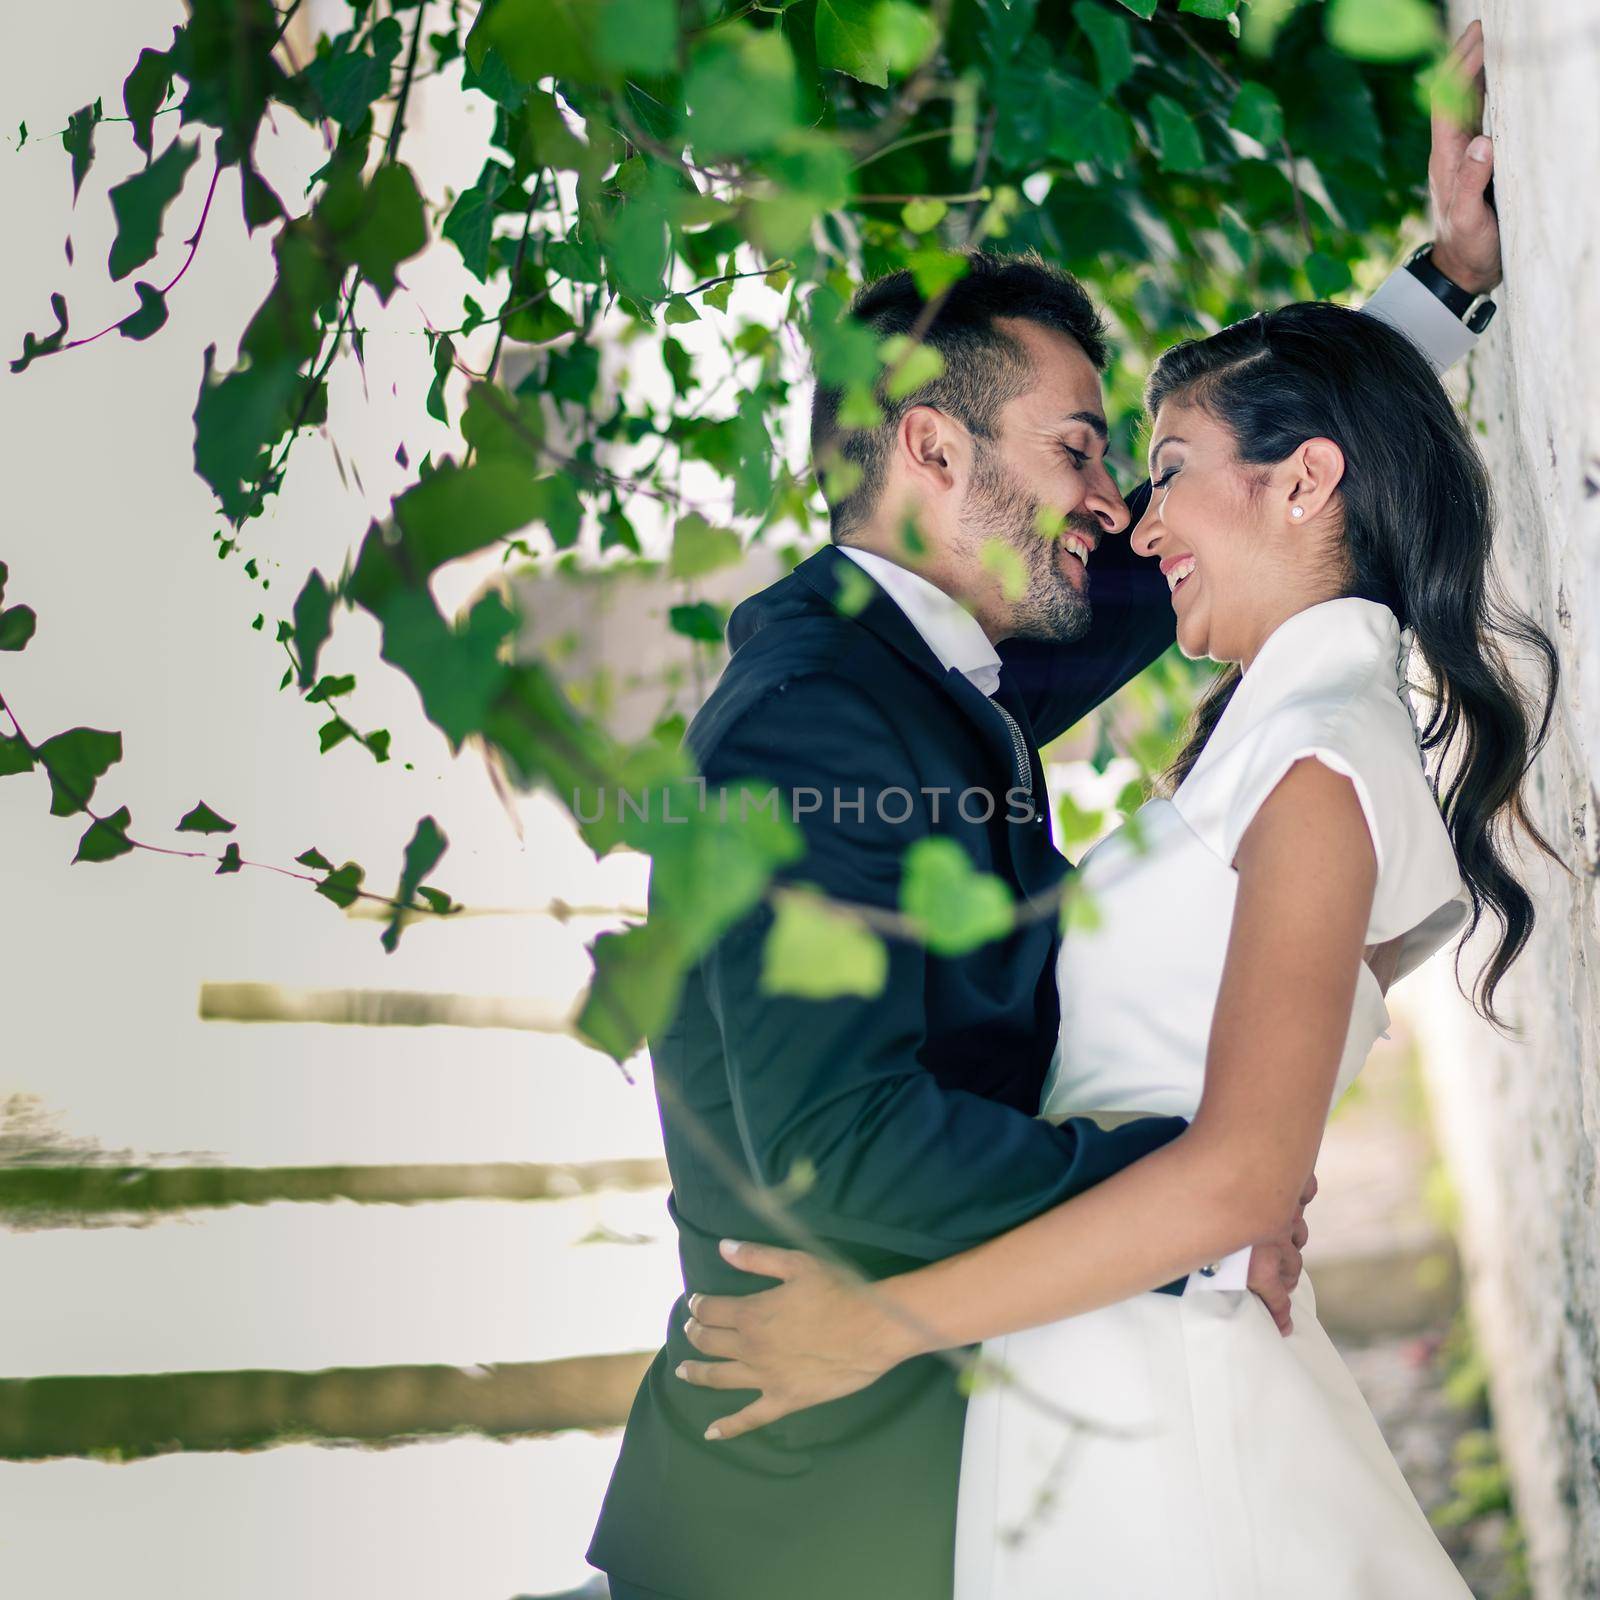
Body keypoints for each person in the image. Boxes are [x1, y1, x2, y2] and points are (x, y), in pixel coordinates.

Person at [592, 25, 1509, 1599]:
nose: (1114, 503)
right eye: (1083, 448)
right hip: (810, 1504)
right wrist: (1198, 1194)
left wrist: (1436, 290)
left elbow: (1266, 507)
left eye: (1123, 460)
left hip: (981, 1445)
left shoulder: (939, 671)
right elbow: (837, 1152)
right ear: (934, 449)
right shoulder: (817, 715)